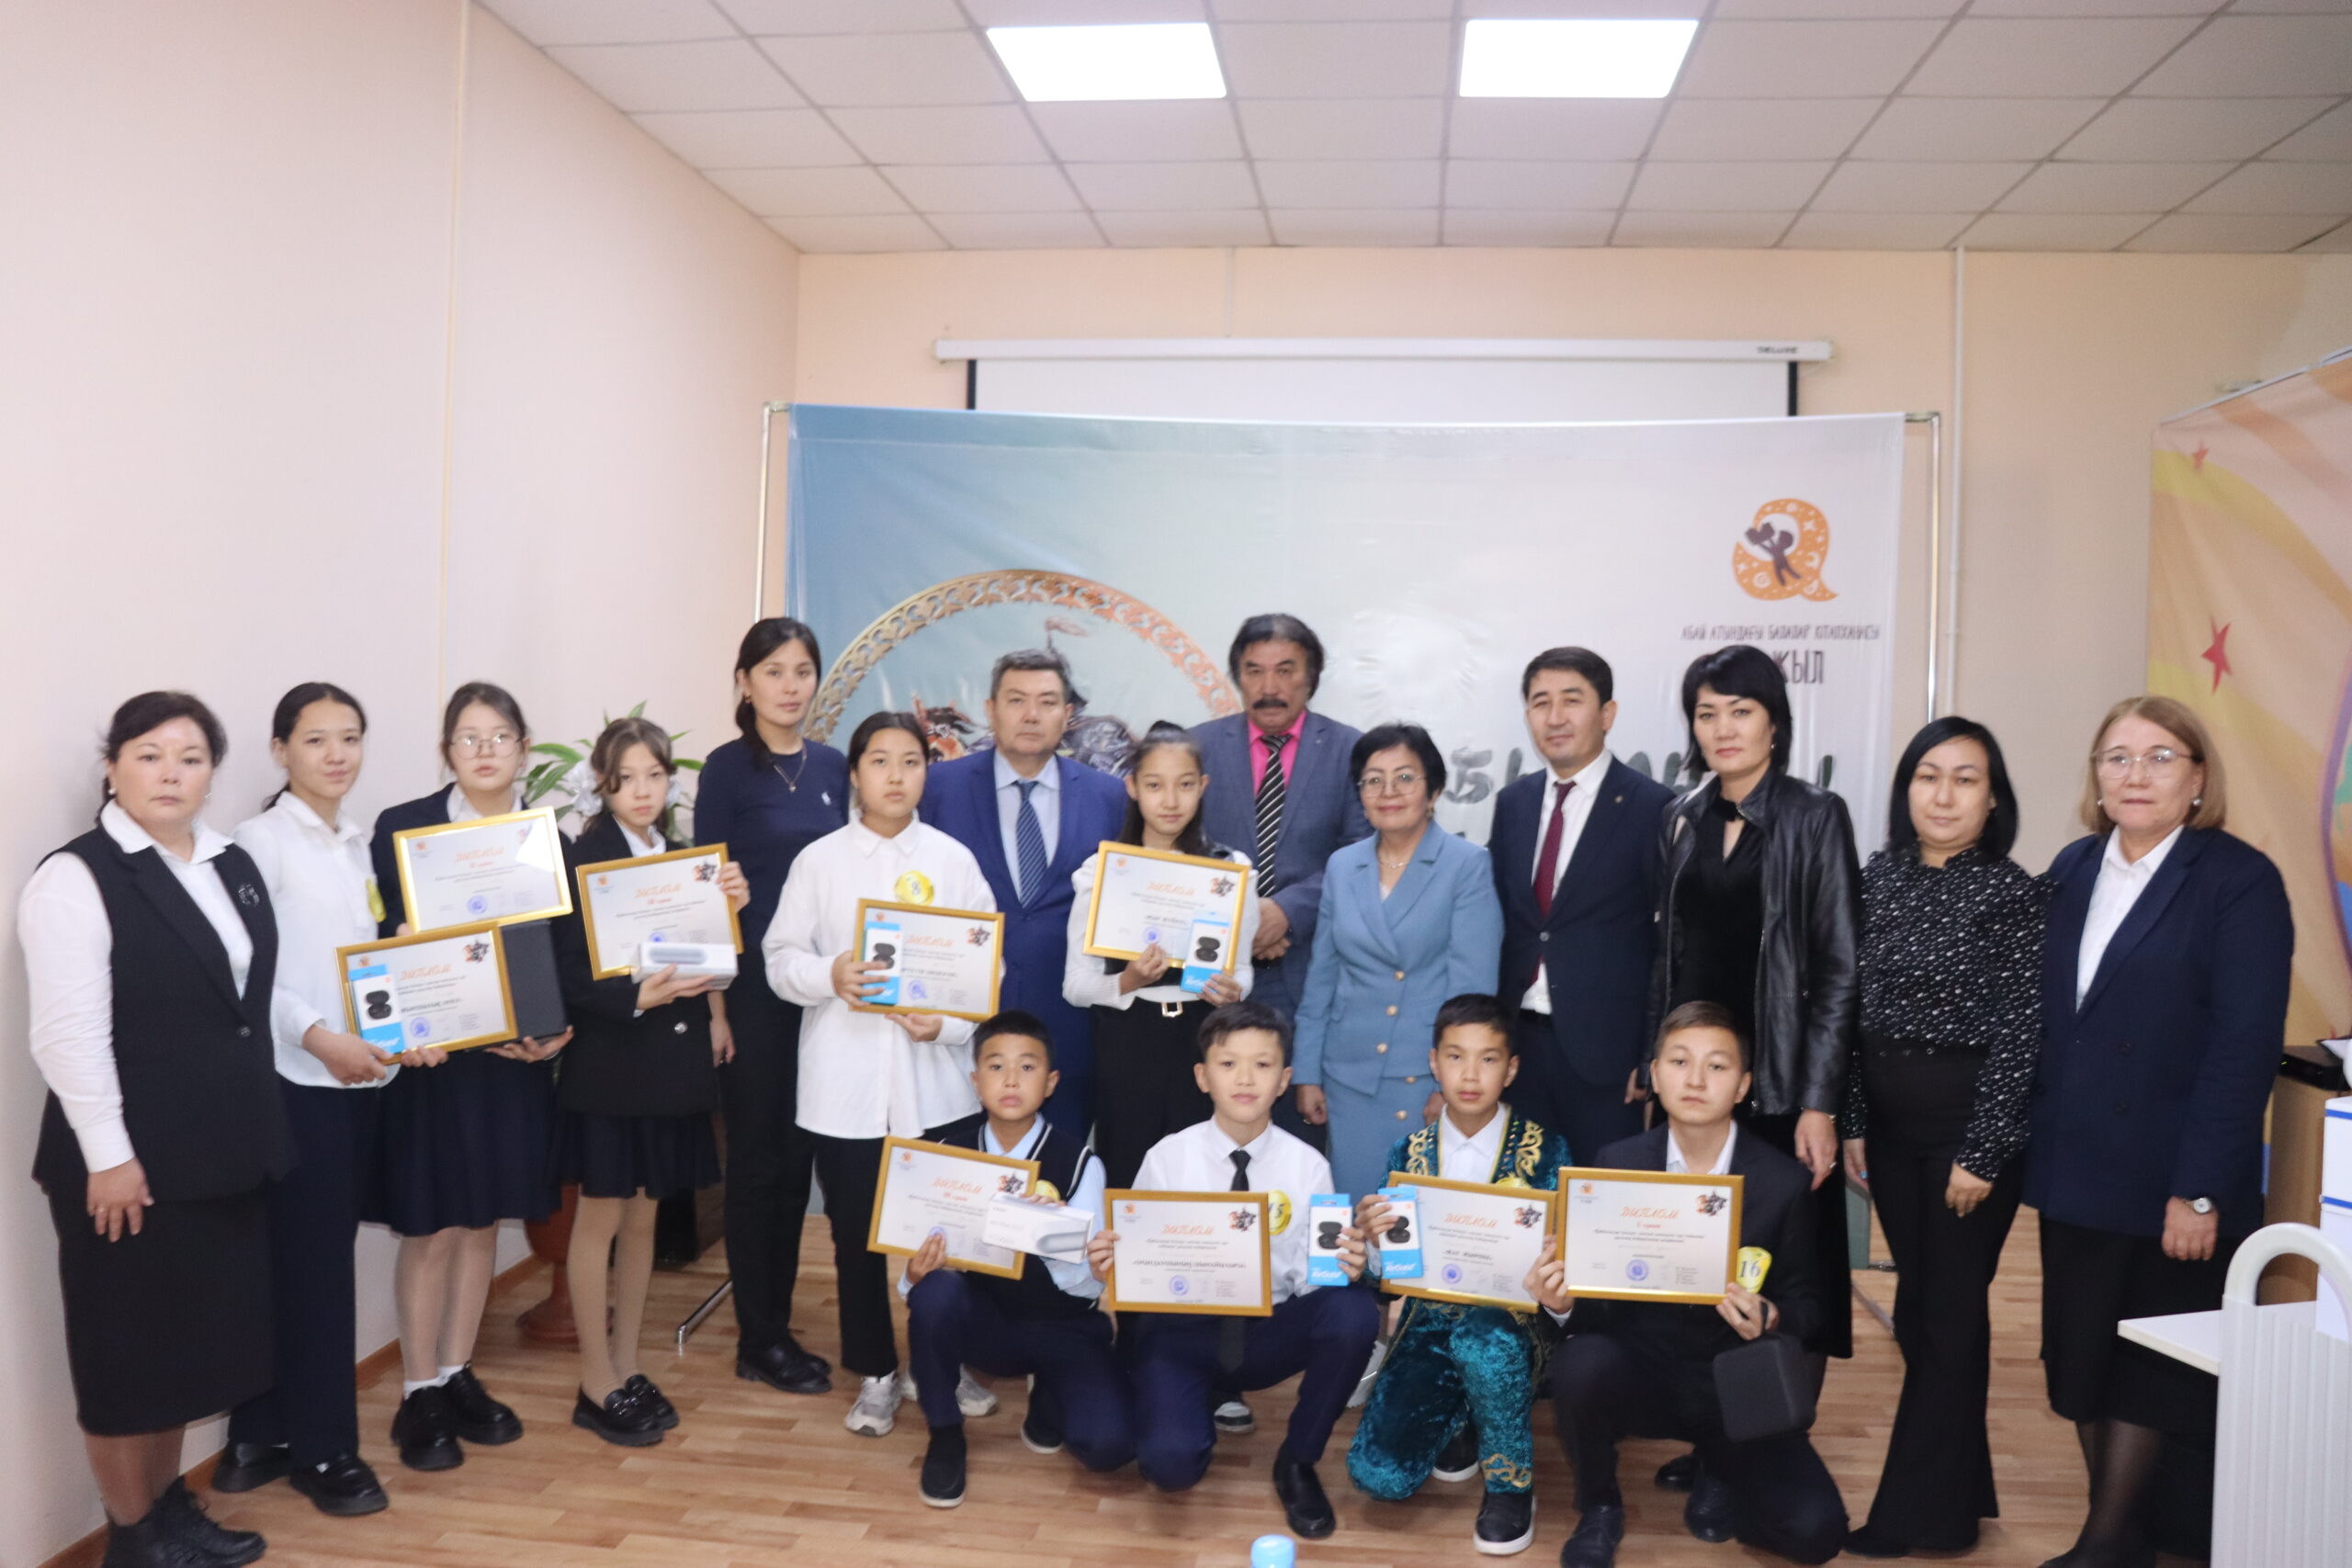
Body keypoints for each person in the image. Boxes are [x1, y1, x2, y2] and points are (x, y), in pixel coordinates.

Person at [19, 692, 292, 1567]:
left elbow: (243, 1004)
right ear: (112, 768)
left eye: (190, 757)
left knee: (188, 1351)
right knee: (126, 1355)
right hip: (127, 1168)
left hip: (219, 1157)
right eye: (148, 754)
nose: (170, 773)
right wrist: (109, 1157)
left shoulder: (228, 862)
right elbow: (67, 1035)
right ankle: (132, 1536)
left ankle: (171, 1510)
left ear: (212, 774)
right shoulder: (76, 877)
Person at [2028, 695, 2290, 1568]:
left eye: (2160, 756)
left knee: (2152, 1371)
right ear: (2096, 777)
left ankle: (2107, 1542)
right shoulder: (2071, 867)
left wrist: (2201, 1189)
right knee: (2081, 1360)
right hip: (2076, 1171)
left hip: (2171, 1180)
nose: (2135, 774)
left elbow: (2242, 1049)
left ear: (2198, 777)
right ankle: (2124, 1536)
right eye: (2117, 757)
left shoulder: (2238, 881)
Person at [1537, 1003, 1849, 1568]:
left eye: (1717, 1066)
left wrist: (1772, 1316)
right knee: (1580, 1362)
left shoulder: (1782, 1182)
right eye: (1680, 1062)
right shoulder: (1615, 1166)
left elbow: (1810, 1305)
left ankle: (1719, 1467)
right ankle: (1600, 1505)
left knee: (1816, 1532)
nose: (1697, 1080)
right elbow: (1593, 1304)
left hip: (1735, 1382)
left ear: (1743, 1085)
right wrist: (1561, 1305)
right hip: (1642, 1369)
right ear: (1655, 1075)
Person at [1839, 717, 2048, 1559]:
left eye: (1967, 778)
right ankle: (1964, 1490)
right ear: (1906, 789)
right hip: (1891, 1131)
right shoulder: (1877, 877)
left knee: (1950, 1318)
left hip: (1966, 1131)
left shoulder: (2014, 893)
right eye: (1929, 775)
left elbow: (2022, 1032)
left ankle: (1920, 1518)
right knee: (1924, 1308)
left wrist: (1984, 1149)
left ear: (1993, 798)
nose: (1945, 794)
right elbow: (1855, 1012)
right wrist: (1855, 1119)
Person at [763, 710, 996, 1438]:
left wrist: (946, 1024)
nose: (896, 776)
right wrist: (830, 973)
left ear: (928, 771)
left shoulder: (954, 861)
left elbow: (985, 972)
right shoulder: (819, 861)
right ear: (855, 773)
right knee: (857, 1238)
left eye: (911, 761)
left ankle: (942, 1359)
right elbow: (778, 959)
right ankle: (876, 1371)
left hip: (937, 1083)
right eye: (880, 761)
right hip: (845, 1086)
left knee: (947, 1233)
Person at [367, 682, 569, 1472]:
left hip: (511, 1062)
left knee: (482, 1218)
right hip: (435, 1059)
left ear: (523, 748)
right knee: (432, 1223)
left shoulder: (543, 840)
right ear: (446, 749)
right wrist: (399, 941)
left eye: (500, 736)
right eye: (468, 737)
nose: (485, 750)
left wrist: (559, 1031)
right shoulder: (404, 828)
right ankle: (416, 1390)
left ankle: (456, 1373)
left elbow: (561, 952)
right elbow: (377, 936)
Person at [213, 684, 403, 1519]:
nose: (337, 754)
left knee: (302, 1262)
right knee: (317, 1271)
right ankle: (326, 1451)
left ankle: (258, 1435)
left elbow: (368, 964)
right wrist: (320, 1036)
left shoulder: (355, 843)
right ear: (280, 749)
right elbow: (249, 973)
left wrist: (409, 1028)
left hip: (358, 1078)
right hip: (299, 1080)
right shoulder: (258, 843)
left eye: (350, 737)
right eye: (317, 738)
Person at [1088, 1001, 1380, 1541]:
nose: (1245, 1079)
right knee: (1170, 1468)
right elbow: (1139, 1264)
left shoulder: (1308, 1167)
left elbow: (1316, 1281)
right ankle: (1187, 1401)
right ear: (1203, 1077)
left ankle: (1298, 1460)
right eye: (1228, 1064)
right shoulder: (1167, 1159)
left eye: (1262, 1065)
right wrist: (1112, 1262)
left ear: (1284, 1080)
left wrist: (1348, 1266)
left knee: (1353, 1311)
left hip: (1268, 1331)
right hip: (1182, 1332)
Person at [1650, 645, 1860, 1376]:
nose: (1723, 728)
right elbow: (1667, 953)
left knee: (1788, 1254)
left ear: (1775, 723)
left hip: (1778, 1074)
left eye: (1741, 710)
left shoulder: (1815, 815)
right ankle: (1705, 1415)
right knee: (1699, 1246)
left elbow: (1839, 967)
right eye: (1706, 713)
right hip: (1697, 1070)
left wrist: (1819, 1102)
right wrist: (1653, 1058)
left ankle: (1778, 1415)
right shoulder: (1681, 816)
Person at [552, 718, 746, 1446]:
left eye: (655, 776)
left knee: (644, 1219)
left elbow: (711, 955)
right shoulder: (586, 859)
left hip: (670, 1062)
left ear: (670, 780)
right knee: (599, 1219)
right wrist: (637, 996)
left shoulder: (687, 861)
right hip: (612, 1065)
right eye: (626, 777)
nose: (642, 790)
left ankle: (627, 1366)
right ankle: (593, 1378)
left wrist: (728, 916)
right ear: (603, 783)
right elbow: (570, 973)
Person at [1346, 994, 1567, 1558]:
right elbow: (1391, 1277)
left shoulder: (1546, 1152)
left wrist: (1558, 1293)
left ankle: (1510, 1485)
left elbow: (1564, 1273)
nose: (1470, 1075)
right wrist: (1372, 1247)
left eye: (1488, 1059)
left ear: (1510, 1069)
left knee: (1483, 1340)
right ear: (1434, 1063)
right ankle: (1462, 1418)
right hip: (1429, 1323)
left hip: (1512, 1328)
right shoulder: (1408, 1152)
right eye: (1455, 1057)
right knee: (1379, 1477)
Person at [693, 618, 846, 1397]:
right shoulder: (725, 771)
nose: (791, 685)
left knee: (802, 1160)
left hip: (824, 991)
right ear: (745, 681)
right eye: (774, 670)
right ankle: (760, 1338)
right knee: (758, 1163)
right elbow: (705, 897)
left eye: (802, 670)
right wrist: (716, 1008)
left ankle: (779, 1323)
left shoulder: (835, 767)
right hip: (754, 991)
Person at [903, 1010, 1131, 1507]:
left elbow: (1089, 1288)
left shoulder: (1080, 1163)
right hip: (986, 1325)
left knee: (1110, 1447)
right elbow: (918, 1269)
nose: (1010, 1080)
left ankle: (1047, 1399)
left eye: (1027, 1068)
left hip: (1063, 1327)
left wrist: (1060, 1245)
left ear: (1050, 1083)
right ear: (975, 1081)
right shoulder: (947, 1155)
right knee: (935, 1293)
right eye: (996, 1066)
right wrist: (914, 1275)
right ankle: (945, 1432)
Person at [1294, 722, 1505, 1201]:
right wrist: (1306, 1071)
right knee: (1354, 1219)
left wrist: (1448, 1084)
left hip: (1423, 1077)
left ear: (1434, 790)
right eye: (1374, 780)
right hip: (1347, 1077)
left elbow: (1472, 992)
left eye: (1405, 777)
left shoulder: (1465, 865)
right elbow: (1321, 977)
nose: (1388, 792)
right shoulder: (1343, 865)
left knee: (1412, 1221)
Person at [924, 649, 1128, 1139]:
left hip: (1070, 1039)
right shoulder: (936, 788)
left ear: (1068, 714)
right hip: (962, 1039)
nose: (1031, 715)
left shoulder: (1110, 797)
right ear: (990, 710)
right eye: (1016, 700)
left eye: (1047, 702)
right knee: (957, 1175)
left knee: (1058, 1177)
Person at [1487, 648, 1674, 1162]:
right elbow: (1504, 922)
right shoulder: (1513, 803)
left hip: (1609, 1059)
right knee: (1523, 1195)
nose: (1555, 717)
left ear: (1607, 714)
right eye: (1540, 702)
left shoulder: (1652, 807)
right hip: (1520, 1050)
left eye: (1572, 700)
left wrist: (1650, 1053)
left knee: (1603, 1197)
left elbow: (1667, 944)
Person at [1062, 721, 1259, 1189]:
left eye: (1185, 785)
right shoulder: (1102, 872)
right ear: (1132, 788)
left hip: (1205, 1041)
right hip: (1128, 1043)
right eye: (1154, 786)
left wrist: (1232, 990)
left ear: (1203, 787)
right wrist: (1126, 981)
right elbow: (1074, 987)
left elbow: (1243, 970)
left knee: (1204, 1179)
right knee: (1129, 1176)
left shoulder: (1230, 870)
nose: (1171, 801)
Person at [1190, 614, 1370, 1022]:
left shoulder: (1350, 751)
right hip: (1211, 973)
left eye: (1285, 671)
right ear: (1238, 678)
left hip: (1311, 966)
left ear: (1311, 678)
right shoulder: (1197, 747)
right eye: (1254, 672)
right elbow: (1173, 846)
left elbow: (1362, 854)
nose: (1269, 688)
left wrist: (1287, 911)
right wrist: (1244, 921)